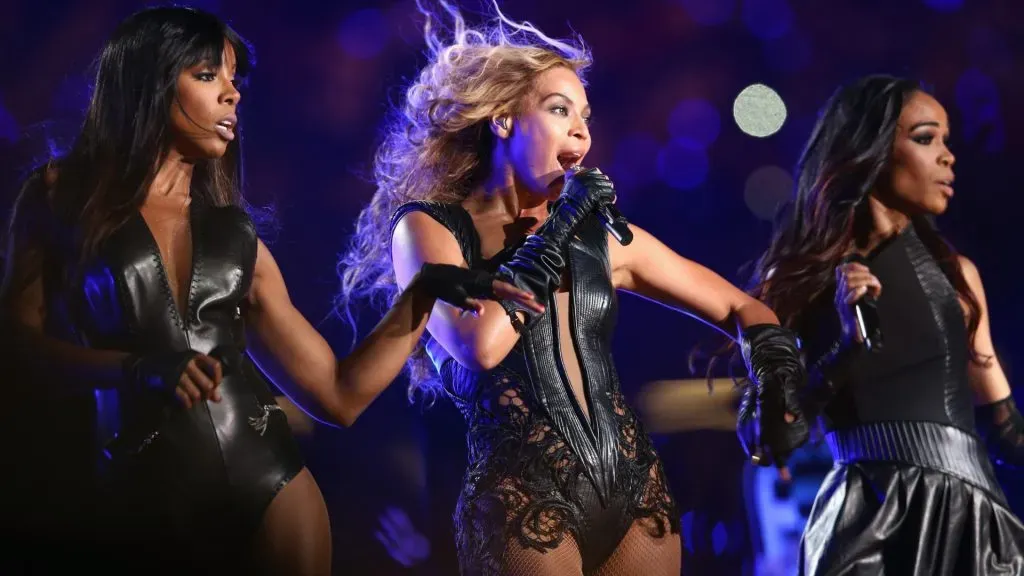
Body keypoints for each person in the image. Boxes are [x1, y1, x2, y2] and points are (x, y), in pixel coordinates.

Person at [0, 6, 541, 574]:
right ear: (150, 80)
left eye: (236, 81)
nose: (232, 95)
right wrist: (133, 369)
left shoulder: (237, 237)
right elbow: (16, 343)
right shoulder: (60, 194)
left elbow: (338, 396)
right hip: (139, 502)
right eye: (209, 76)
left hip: (273, 493)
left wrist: (423, 293)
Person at [337, 2, 807, 574]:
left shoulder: (601, 239)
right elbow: (479, 345)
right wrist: (559, 227)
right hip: (523, 500)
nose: (582, 129)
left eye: (585, 115)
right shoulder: (429, 228)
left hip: (636, 493)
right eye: (560, 110)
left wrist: (775, 377)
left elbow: (743, 305)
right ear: (503, 119)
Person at [746, 74, 1024, 575]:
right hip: (860, 526)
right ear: (871, 151)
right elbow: (771, 439)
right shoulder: (801, 279)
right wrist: (844, 351)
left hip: (967, 524)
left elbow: (1007, 432)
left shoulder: (957, 277)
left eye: (946, 140)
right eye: (925, 138)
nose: (947, 156)